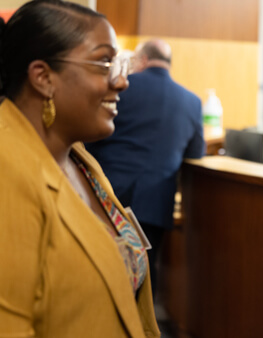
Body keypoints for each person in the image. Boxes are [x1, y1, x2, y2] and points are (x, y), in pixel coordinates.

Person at [0, 0, 160, 337]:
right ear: (43, 77)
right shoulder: (6, 169)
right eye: (104, 62)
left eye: (119, 64)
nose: (122, 82)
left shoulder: (79, 158)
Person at [86, 38, 205, 296]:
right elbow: (197, 153)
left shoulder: (120, 86)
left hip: (108, 197)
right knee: (145, 276)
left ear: (141, 60)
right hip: (155, 203)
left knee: (99, 272)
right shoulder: (191, 102)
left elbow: (89, 136)